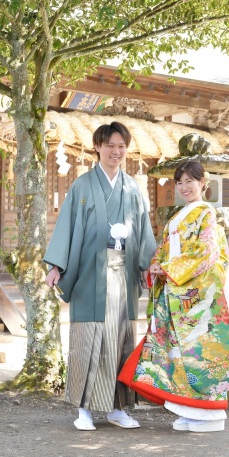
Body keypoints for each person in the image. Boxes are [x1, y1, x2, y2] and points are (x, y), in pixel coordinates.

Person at [118, 160, 229, 432]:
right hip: (175, 292)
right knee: (177, 354)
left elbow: (207, 252)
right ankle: (189, 411)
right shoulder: (178, 216)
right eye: (179, 182)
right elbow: (164, 249)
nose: (184, 187)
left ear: (203, 183)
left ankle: (210, 415)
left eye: (190, 181)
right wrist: (157, 265)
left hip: (196, 297)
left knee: (200, 354)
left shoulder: (206, 213)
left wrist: (167, 268)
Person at [44, 121, 157, 431]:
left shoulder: (132, 188)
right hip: (90, 274)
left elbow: (143, 230)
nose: (116, 152)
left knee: (121, 339)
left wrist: (146, 265)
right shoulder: (82, 186)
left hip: (123, 274)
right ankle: (84, 410)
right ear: (97, 147)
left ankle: (118, 408)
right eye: (110, 146)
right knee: (88, 338)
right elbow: (67, 227)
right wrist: (56, 266)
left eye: (121, 146)